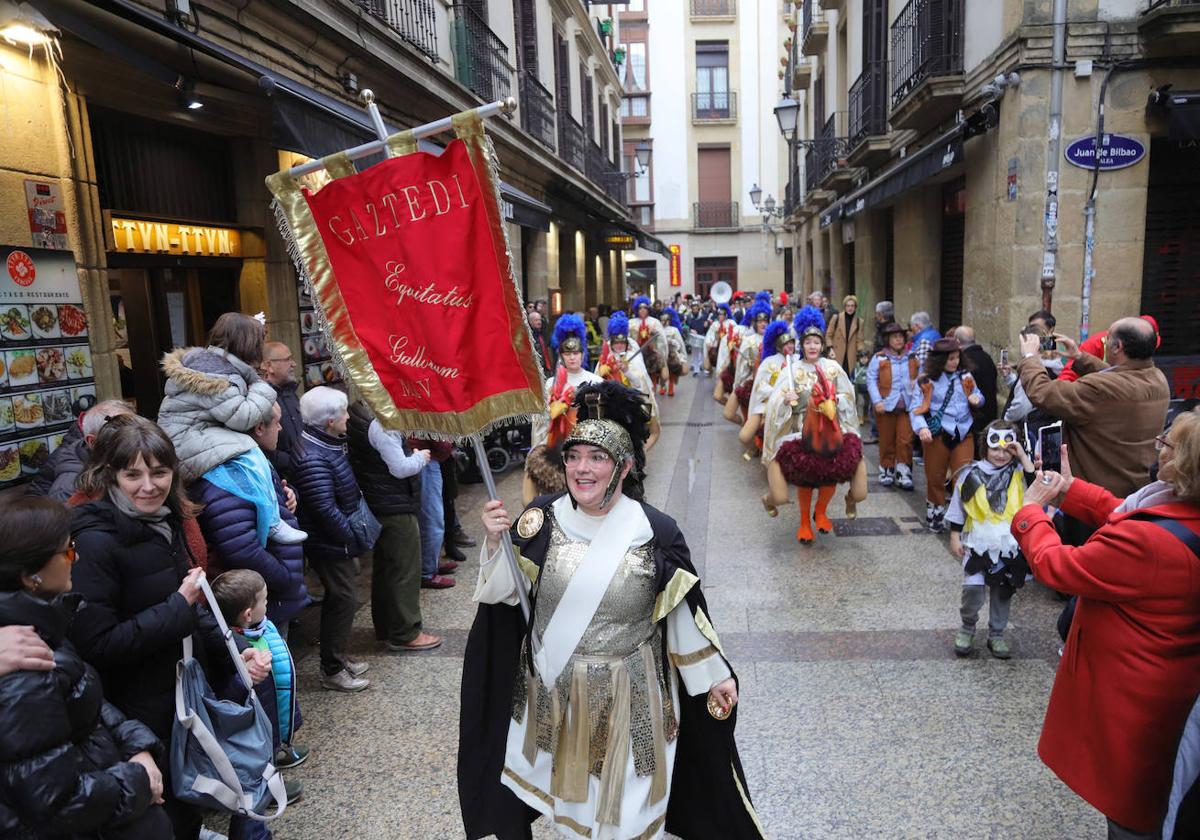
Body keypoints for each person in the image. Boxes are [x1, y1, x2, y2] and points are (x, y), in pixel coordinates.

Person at [458, 381, 764, 840]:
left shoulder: (655, 531)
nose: (582, 469)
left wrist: (712, 675)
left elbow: (678, 613)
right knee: (571, 803)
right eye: (574, 456)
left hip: (632, 695)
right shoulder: (540, 519)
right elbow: (505, 597)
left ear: (623, 468)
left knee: (627, 813)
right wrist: (496, 542)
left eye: (597, 458)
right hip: (553, 694)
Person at [69, 415, 271, 840]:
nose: (148, 485)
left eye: (159, 472)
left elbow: (196, 608)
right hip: (137, 707)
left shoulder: (165, 521)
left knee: (187, 808)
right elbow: (96, 643)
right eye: (133, 475)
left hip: (179, 697)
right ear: (110, 476)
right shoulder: (94, 540)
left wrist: (235, 652)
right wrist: (177, 606)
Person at [1013, 409, 1200, 839]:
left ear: (1185, 465)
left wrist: (1031, 514)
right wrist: (1070, 491)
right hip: (1175, 693)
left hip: (1138, 705)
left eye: (1165, 445)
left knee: (1132, 814)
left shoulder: (1149, 545)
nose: (1159, 449)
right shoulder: (1180, 514)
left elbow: (1058, 565)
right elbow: (1127, 513)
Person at [0, 497, 173, 839]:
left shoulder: (40, 626)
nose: (75, 557)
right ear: (30, 576)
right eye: (66, 552)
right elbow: (59, 803)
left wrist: (134, 743)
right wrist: (139, 780)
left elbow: (83, 702)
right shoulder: (25, 670)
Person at [158, 312, 306, 547]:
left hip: (192, 434)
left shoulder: (214, 365)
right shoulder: (216, 374)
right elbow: (242, 416)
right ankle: (273, 522)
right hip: (186, 440)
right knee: (250, 454)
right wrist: (262, 386)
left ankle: (273, 516)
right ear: (247, 344)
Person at [1016, 316, 1170, 502]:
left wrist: (1030, 357)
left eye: (1108, 339)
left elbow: (1043, 393)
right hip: (1133, 487)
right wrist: (1080, 357)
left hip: (1093, 496)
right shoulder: (1157, 379)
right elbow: (1122, 379)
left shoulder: (1102, 389)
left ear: (1117, 347)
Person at [191, 401, 309, 633]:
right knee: (268, 663)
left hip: (266, 594)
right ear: (258, 428)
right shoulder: (232, 471)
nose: (282, 428)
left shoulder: (254, 462)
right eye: (277, 422)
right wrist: (284, 577)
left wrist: (288, 496)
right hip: (257, 597)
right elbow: (241, 547)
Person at [291, 386, 373, 692]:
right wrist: (349, 538)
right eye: (343, 412)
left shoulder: (324, 444)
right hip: (329, 542)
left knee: (342, 598)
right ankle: (332, 668)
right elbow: (324, 508)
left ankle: (337, 656)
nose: (348, 416)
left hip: (333, 539)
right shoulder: (314, 456)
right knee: (343, 598)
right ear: (329, 421)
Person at [760, 309, 867, 542]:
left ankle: (824, 510)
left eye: (816, 342)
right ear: (802, 344)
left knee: (834, 473)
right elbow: (774, 404)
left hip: (831, 427)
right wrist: (785, 401)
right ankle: (802, 520)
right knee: (807, 477)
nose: (812, 347)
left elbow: (849, 396)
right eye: (808, 342)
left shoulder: (832, 368)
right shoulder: (792, 370)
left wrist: (837, 400)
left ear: (822, 345)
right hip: (801, 430)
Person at [346, 400, 442, 652]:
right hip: (394, 504)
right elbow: (400, 468)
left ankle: (387, 626)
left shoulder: (358, 409)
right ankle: (405, 632)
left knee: (386, 568)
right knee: (405, 568)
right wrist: (420, 457)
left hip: (380, 501)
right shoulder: (381, 423)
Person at [946, 420, 1036, 659]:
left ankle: (996, 634)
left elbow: (1036, 483)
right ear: (984, 446)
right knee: (973, 589)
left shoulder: (1018, 473)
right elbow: (959, 506)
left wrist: (1023, 456)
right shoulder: (971, 474)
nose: (1000, 454)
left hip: (1009, 544)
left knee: (1003, 591)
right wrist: (955, 536)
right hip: (978, 542)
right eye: (995, 448)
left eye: (1007, 450)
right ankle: (967, 627)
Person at [524, 314, 603, 505]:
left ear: (583, 354)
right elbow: (541, 423)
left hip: (586, 447)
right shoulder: (552, 383)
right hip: (555, 446)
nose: (572, 357)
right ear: (561, 356)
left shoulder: (596, 381)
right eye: (568, 354)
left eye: (576, 353)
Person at [910, 337, 984, 532]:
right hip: (938, 434)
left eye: (957, 357)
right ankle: (935, 512)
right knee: (935, 476)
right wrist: (921, 428)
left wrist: (978, 399)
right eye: (950, 358)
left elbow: (978, 395)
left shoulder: (966, 376)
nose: (955, 362)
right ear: (940, 359)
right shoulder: (926, 380)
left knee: (964, 476)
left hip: (963, 432)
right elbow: (915, 407)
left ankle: (960, 516)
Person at [26, 400, 134, 501]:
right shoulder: (69, 486)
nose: (136, 440)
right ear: (92, 441)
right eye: (123, 436)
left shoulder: (99, 450)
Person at [597, 312, 661, 452]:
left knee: (653, 431)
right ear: (611, 343)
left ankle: (638, 456)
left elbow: (640, 383)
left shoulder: (632, 356)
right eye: (616, 343)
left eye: (622, 343)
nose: (619, 346)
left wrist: (627, 371)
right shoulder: (604, 358)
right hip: (611, 406)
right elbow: (597, 381)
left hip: (632, 403)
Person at [868, 322, 917, 490]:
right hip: (886, 405)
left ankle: (904, 472)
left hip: (907, 406)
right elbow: (871, 380)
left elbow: (920, 379)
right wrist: (877, 401)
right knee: (887, 440)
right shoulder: (879, 358)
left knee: (905, 440)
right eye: (894, 337)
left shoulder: (912, 357)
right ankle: (887, 469)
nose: (898, 340)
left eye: (900, 336)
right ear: (887, 340)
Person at [260, 340, 303, 476]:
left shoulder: (291, 394)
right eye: (288, 359)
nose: (293, 364)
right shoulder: (260, 399)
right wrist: (292, 461)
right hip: (283, 479)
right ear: (269, 366)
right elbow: (261, 445)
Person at [953, 326, 999, 448]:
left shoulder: (964, 362)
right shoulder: (987, 357)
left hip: (972, 418)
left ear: (957, 341)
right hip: (990, 413)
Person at [630, 296, 670, 390]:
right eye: (640, 308)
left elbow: (662, 340)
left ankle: (661, 382)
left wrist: (663, 354)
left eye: (645, 308)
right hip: (636, 354)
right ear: (637, 310)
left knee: (665, 376)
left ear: (648, 309)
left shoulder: (655, 322)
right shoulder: (631, 323)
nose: (643, 310)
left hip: (653, 353)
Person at [825, 294, 864, 375]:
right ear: (845, 307)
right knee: (835, 378)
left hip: (851, 356)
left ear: (855, 307)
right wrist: (830, 348)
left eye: (852, 306)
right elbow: (828, 335)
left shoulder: (859, 322)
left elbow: (860, 340)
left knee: (848, 379)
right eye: (848, 305)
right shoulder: (836, 318)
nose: (850, 308)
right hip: (836, 353)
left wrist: (861, 353)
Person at [658, 307, 688, 397]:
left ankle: (671, 386)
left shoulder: (674, 330)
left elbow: (680, 344)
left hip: (671, 353)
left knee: (673, 367)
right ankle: (662, 385)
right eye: (662, 320)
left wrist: (672, 342)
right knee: (660, 369)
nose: (663, 322)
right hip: (661, 353)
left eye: (665, 320)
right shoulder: (658, 330)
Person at [528, 311, 554, 378]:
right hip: (535, 370)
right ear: (530, 322)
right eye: (536, 320)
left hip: (547, 369)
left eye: (540, 320)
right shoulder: (528, 336)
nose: (539, 322)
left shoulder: (544, 333)